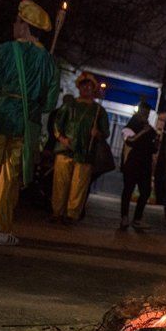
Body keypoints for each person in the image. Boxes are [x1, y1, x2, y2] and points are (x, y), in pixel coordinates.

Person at [0, 0, 58, 246]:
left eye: (17, 21)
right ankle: (1, 231)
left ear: (25, 25)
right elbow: (49, 104)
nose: (14, 25)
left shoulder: (3, 51)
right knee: (9, 177)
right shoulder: (47, 61)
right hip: (23, 125)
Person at [50, 72, 108, 224]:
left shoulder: (98, 111)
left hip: (85, 153)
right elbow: (57, 124)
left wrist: (98, 134)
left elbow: (106, 132)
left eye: (90, 86)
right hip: (65, 149)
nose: (87, 88)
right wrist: (62, 138)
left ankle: (71, 215)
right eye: (84, 85)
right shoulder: (69, 105)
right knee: (60, 183)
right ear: (79, 87)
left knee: (79, 186)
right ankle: (57, 212)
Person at [119, 101, 157, 230]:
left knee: (145, 192)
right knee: (128, 190)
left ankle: (137, 219)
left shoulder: (150, 129)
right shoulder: (131, 125)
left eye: (147, 113)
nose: (145, 116)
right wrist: (143, 132)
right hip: (132, 162)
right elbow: (129, 141)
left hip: (145, 165)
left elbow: (154, 148)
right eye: (143, 113)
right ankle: (124, 217)